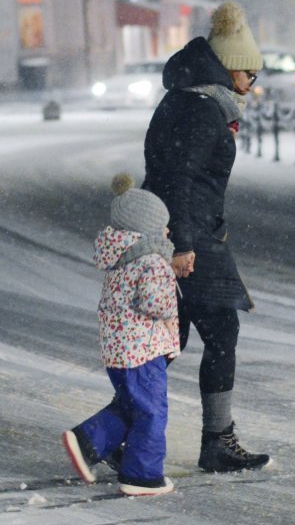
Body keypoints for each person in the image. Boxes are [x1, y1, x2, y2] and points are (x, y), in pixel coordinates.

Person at [141, 1, 270, 472]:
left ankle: (111, 434)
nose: (252, 86)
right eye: (250, 76)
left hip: (186, 231)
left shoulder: (189, 99)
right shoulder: (201, 110)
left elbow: (175, 174)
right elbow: (179, 176)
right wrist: (185, 244)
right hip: (189, 238)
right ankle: (214, 440)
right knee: (215, 332)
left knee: (168, 340)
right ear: (232, 69)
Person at [62, 173, 180, 496]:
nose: (167, 232)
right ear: (146, 229)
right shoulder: (152, 260)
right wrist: (172, 303)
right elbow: (155, 301)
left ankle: (88, 442)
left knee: (132, 406)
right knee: (151, 410)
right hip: (142, 350)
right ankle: (142, 475)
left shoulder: (120, 259)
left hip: (118, 350)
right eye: (163, 226)